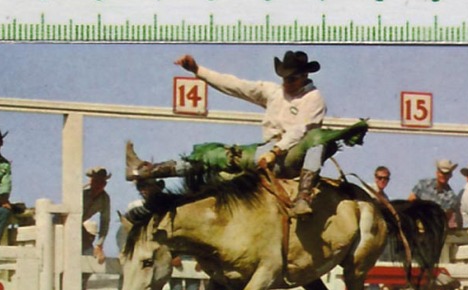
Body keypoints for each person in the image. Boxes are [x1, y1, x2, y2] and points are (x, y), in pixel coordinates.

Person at [128, 50, 327, 216]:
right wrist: (198, 70)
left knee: (316, 142)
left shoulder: (313, 98)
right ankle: (145, 171)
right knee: (214, 157)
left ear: (304, 77)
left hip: (293, 154)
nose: (286, 83)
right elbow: (236, 85)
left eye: (291, 78)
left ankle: (303, 195)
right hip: (266, 150)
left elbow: (298, 131)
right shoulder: (275, 92)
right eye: (284, 77)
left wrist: (275, 151)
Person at [410, 159, 461, 229]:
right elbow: (410, 201)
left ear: (450, 175)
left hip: (433, 229)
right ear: (437, 173)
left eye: (447, 174)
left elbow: (445, 219)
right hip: (415, 225)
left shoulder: (451, 198)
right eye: (442, 173)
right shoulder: (423, 185)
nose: (444, 176)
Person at [82, 167, 111, 264]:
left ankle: (82, 279)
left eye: (102, 182)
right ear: (91, 181)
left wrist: (99, 245)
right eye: (96, 181)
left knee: (90, 257)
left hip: (78, 226)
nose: (98, 185)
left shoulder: (104, 199)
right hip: (64, 222)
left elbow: (105, 222)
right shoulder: (81, 192)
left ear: (105, 184)